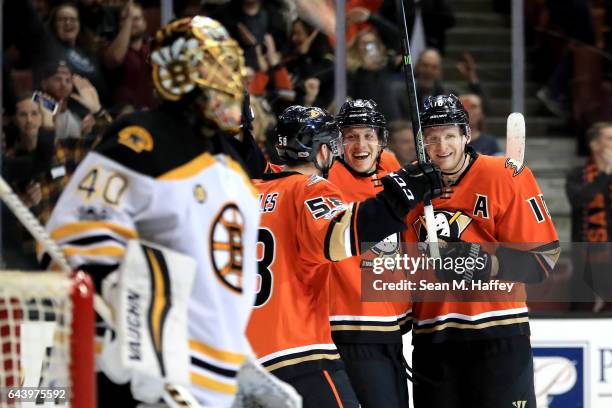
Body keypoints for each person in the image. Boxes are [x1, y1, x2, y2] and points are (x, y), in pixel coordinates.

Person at [45, 16, 260, 407]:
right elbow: (74, 242)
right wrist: (135, 335)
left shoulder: (234, 169)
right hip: (136, 379)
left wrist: (240, 357)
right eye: (215, 65)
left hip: (209, 386)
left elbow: (217, 281)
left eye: (231, 66)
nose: (230, 79)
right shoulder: (143, 140)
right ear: (179, 73)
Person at [246, 105, 443, 407]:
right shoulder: (311, 189)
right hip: (300, 350)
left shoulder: (250, 191)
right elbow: (339, 236)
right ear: (323, 151)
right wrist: (401, 195)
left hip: (249, 352)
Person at [404, 94, 560, 407]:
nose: (442, 147)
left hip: (498, 332)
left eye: (450, 135)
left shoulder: (507, 175)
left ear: (467, 135)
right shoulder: (407, 184)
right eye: (432, 138)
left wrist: (487, 264)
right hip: (433, 337)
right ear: (421, 142)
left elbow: (544, 260)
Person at [326, 99, 412, 407]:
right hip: (346, 324)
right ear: (338, 141)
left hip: (390, 325)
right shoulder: (324, 177)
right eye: (351, 136)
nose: (360, 145)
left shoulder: (389, 165)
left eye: (368, 136)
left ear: (380, 139)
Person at [565, 121, 612, 312]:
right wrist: (604, 175)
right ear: (594, 145)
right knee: (581, 308)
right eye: (610, 138)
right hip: (585, 256)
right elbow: (578, 200)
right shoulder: (578, 174)